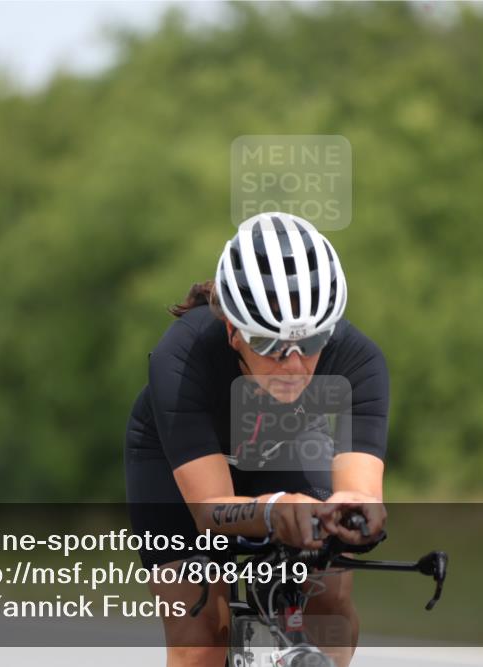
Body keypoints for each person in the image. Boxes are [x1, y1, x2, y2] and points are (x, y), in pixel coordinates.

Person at [125, 212, 390, 667]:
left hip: (284, 446)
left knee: (330, 602)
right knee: (200, 636)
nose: (293, 365)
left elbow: (360, 492)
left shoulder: (358, 360)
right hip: (180, 467)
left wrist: (354, 516)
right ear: (233, 330)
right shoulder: (180, 358)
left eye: (311, 341)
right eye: (269, 345)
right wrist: (275, 508)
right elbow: (210, 510)